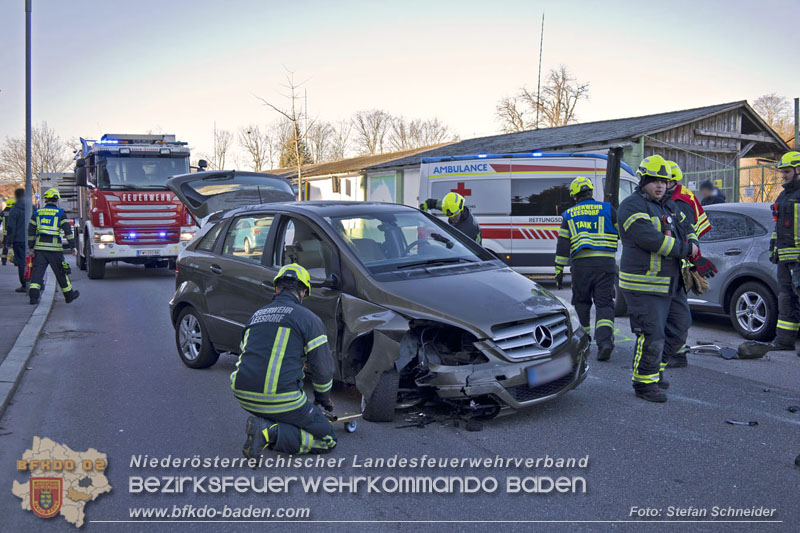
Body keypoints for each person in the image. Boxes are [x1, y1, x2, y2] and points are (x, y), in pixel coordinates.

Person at [232, 264, 337, 458]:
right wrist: (322, 400)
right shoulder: (309, 319)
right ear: (304, 292)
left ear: (276, 288)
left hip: (242, 394)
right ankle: (269, 432)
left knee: (286, 410)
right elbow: (322, 368)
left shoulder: (256, 316)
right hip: (281, 399)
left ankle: (270, 423)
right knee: (328, 439)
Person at [618, 155, 699, 402]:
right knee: (651, 334)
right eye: (654, 180)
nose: (660, 185)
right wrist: (686, 249)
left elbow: (689, 227)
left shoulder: (669, 206)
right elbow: (650, 239)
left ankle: (655, 372)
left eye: (663, 181)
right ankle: (644, 383)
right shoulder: (631, 206)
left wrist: (693, 241)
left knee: (679, 329)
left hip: (671, 283)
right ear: (643, 181)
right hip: (644, 285)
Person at [554, 176, 618, 361]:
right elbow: (622, 232)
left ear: (575, 196)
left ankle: (585, 342)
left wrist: (558, 270)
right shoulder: (608, 209)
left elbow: (563, 246)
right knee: (604, 304)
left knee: (582, 303)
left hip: (581, 266)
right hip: (606, 265)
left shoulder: (569, 214)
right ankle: (605, 343)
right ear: (591, 192)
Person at [663, 161, 717, 367]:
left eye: (664, 181)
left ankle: (676, 354)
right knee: (676, 311)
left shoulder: (679, 201)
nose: (661, 185)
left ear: (672, 182)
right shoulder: (680, 195)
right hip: (683, 258)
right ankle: (674, 352)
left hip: (680, 260)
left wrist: (694, 259)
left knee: (675, 312)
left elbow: (685, 231)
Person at [766, 151, 800, 352]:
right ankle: (784, 341)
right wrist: (773, 247)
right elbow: (778, 227)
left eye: (787, 172)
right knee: (786, 299)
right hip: (785, 258)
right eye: (782, 172)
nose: (783, 176)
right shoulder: (784, 194)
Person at [27, 188, 79, 305]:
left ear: (46, 200)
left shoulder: (37, 213)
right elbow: (67, 231)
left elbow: (31, 232)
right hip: (55, 250)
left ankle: (33, 297)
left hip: (40, 249)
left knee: (37, 273)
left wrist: (31, 247)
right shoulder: (60, 213)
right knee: (61, 272)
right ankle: (69, 295)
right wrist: (73, 247)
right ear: (56, 200)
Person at [5, 189, 28, 292]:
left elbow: (11, 228)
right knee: (34, 262)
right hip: (31, 240)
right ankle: (37, 283)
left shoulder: (14, 210)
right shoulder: (31, 208)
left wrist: (9, 242)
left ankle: (24, 284)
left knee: (22, 263)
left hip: (18, 240)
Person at [2, 197, 14, 265]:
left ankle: (4, 261)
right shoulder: (14, 212)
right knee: (15, 246)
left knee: (5, 247)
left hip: (5, 233)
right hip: (13, 232)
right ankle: (16, 260)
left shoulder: (3, 212)